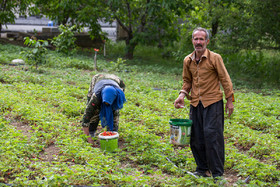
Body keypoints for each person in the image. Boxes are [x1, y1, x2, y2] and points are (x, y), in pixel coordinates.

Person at [174, 27, 234, 179]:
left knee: (212, 137)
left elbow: (225, 79)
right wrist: (182, 95)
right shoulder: (187, 60)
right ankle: (202, 170)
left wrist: (229, 100)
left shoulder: (215, 58)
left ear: (207, 41)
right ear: (192, 41)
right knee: (195, 137)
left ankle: (217, 173)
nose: (198, 42)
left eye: (201, 39)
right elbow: (187, 81)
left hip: (213, 103)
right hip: (195, 103)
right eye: (196, 39)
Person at [81, 73, 126, 145]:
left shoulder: (118, 95)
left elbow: (115, 116)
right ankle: (92, 130)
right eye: (105, 102)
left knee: (114, 112)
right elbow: (86, 118)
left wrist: (113, 133)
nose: (106, 105)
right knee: (95, 112)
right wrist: (88, 137)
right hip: (99, 78)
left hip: (115, 80)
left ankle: (112, 133)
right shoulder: (96, 96)